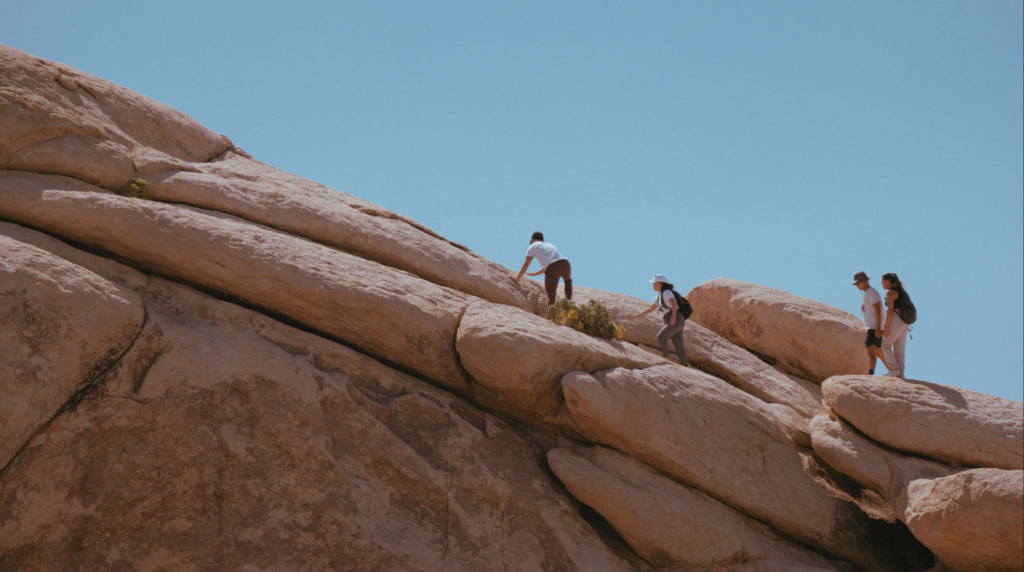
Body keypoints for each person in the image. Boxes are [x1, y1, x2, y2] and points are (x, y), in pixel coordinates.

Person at [631, 274, 688, 365]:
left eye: (654, 283)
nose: (653, 285)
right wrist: (637, 315)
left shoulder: (666, 293)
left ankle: (666, 357)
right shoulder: (659, 297)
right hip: (676, 318)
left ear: (660, 283)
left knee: (661, 336)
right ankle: (684, 365)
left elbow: (673, 304)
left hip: (675, 317)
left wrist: (673, 317)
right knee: (678, 344)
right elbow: (650, 309)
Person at [510, 232, 572, 306]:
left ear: (533, 240)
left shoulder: (532, 246)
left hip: (553, 267)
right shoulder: (549, 245)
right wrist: (534, 274)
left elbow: (526, 264)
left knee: (550, 294)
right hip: (565, 264)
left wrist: (517, 278)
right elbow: (551, 265)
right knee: (567, 281)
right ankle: (570, 303)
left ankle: (550, 317)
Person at [879, 272, 911, 378]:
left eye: (882, 282)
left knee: (885, 345)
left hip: (895, 320)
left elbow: (890, 310)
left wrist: (886, 327)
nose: (882, 284)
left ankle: (894, 369)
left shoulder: (890, 292)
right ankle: (900, 373)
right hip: (904, 322)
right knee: (899, 349)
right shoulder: (902, 292)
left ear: (888, 281)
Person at [853, 271, 884, 375]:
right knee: (878, 351)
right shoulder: (867, 294)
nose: (856, 286)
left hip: (874, 326)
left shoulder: (871, 292)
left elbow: (878, 309)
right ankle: (893, 369)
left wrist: (878, 327)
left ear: (864, 281)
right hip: (871, 326)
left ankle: (871, 373)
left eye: (857, 283)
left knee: (871, 350)